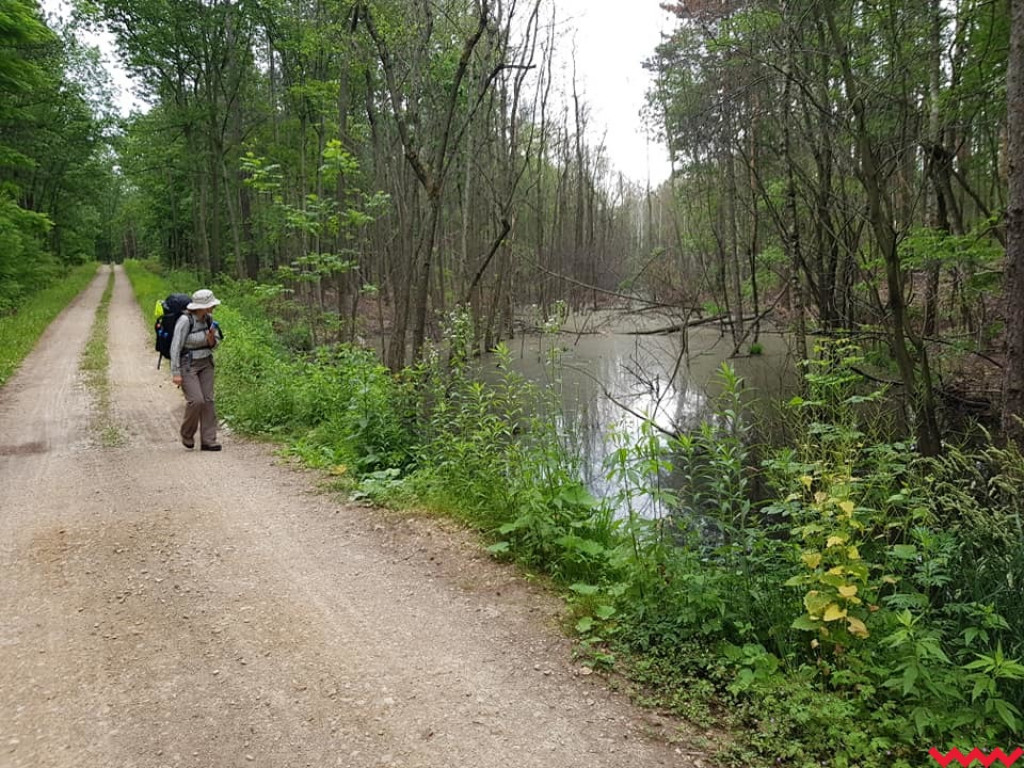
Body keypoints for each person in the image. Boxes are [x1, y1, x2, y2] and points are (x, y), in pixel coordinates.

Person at [170, 288, 224, 451]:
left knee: (208, 401)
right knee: (196, 401)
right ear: (201, 306)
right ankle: (187, 433)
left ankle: (209, 440)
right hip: (188, 364)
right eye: (210, 305)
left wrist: (211, 340)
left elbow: (215, 343)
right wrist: (176, 372)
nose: (213, 308)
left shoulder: (209, 320)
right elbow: (175, 347)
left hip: (206, 363)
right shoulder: (185, 321)